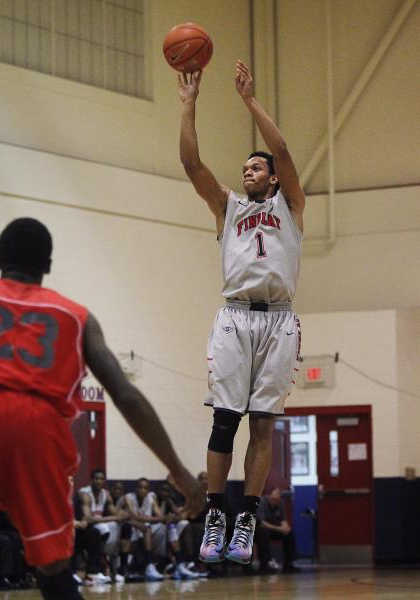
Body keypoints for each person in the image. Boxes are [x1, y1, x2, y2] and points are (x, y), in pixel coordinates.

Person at [0, 218, 205, 600]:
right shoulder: (77, 317)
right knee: (53, 566)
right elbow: (126, 396)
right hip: (35, 429)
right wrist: (178, 471)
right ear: (47, 265)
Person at [178, 60, 305, 565]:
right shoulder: (227, 208)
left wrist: (249, 101)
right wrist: (189, 106)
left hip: (278, 320)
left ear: (272, 179)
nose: (246, 171)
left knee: (263, 426)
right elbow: (192, 165)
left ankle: (246, 518)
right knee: (225, 421)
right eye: (245, 169)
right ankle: (216, 513)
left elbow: (284, 150)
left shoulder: (290, 207)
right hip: (234, 317)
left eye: (255, 167)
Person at [77, 469, 126, 583]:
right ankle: (97, 567)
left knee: (119, 526)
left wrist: (124, 514)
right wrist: (114, 518)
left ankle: (114, 567)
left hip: (97, 527)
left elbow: (116, 513)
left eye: (101, 479)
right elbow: (88, 519)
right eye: (96, 479)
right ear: (91, 480)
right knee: (103, 528)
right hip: (82, 528)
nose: (99, 481)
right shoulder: (84, 493)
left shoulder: (106, 494)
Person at [256, 487, 300, 573]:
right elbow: (262, 522)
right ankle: (264, 564)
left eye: (277, 500)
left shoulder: (280, 503)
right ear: (269, 496)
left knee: (289, 533)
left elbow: (283, 519)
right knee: (263, 533)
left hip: (276, 528)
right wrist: (278, 528)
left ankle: (289, 563)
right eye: (273, 500)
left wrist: (286, 527)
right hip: (262, 528)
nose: (275, 502)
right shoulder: (262, 502)